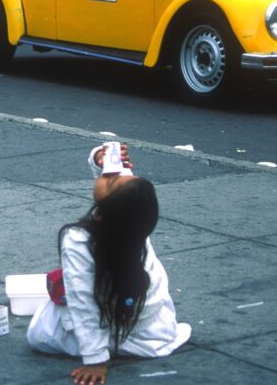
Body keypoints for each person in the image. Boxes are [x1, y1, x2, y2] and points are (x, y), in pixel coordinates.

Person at [27, 143, 191, 385]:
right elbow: (113, 192)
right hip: (148, 326)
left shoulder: (78, 239)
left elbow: (82, 301)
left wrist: (95, 359)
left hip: (110, 320)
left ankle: (106, 344)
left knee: (38, 333)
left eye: (114, 178)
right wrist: (99, 158)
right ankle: (119, 341)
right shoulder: (133, 222)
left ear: (102, 213)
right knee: (120, 312)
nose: (118, 172)